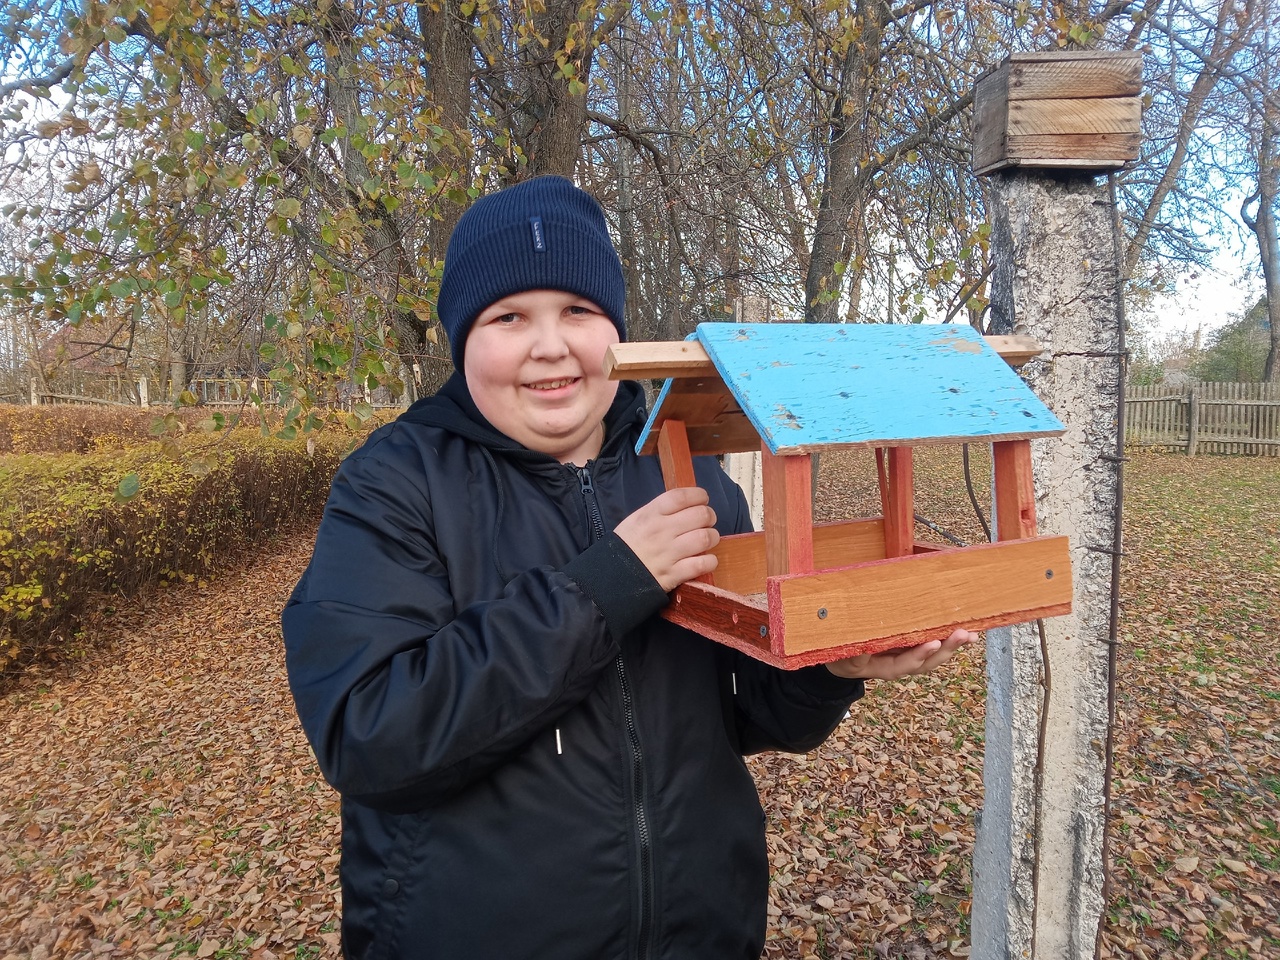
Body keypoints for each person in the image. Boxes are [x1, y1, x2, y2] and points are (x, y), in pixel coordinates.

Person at [282, 175, 973, 960]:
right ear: (464, 338)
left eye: (578, 311)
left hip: (701, 930)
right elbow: (370, 735)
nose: (551, 345)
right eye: (510, 317)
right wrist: (608, 585)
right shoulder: (396, 483)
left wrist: (832, 666)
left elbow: (743, 712)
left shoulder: (686, 468)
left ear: (613, 327)